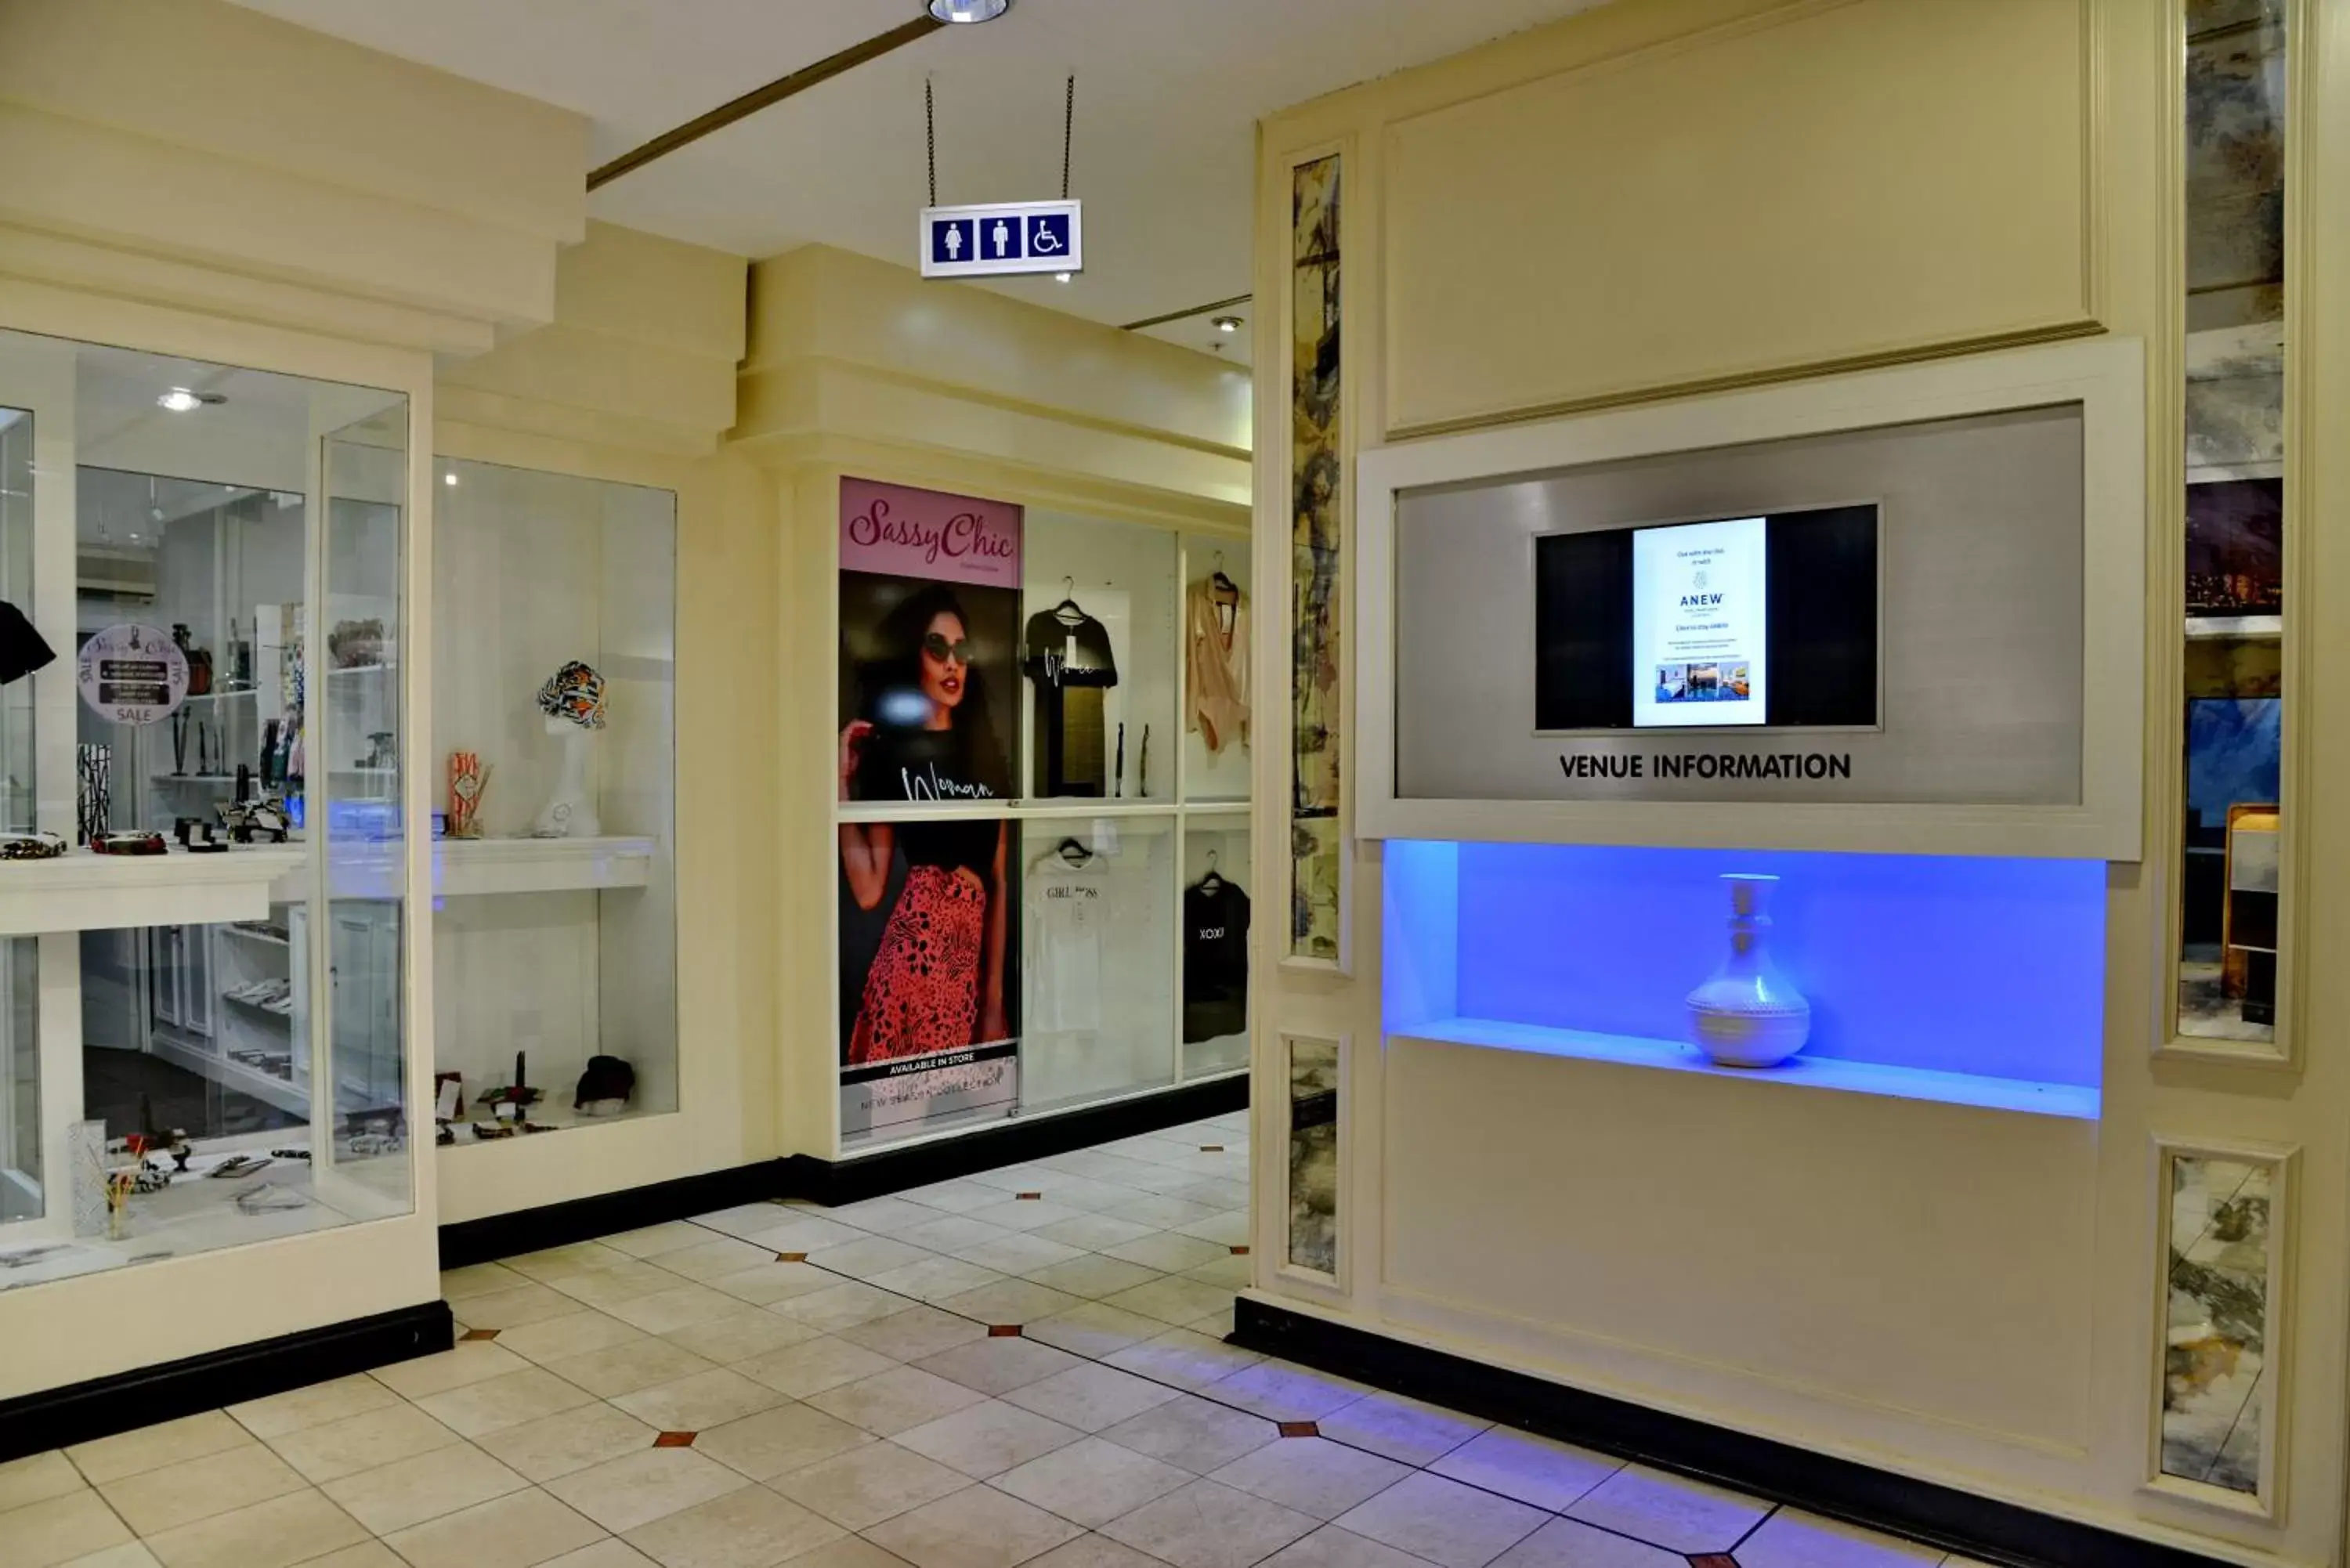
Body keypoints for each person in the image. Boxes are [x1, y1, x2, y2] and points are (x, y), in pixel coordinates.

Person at [840, 586, 1011, 1061]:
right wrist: (839, 786)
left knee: (981, 1106)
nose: (952, 663)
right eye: (938, 649)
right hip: (911, 966)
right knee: (904, 1114)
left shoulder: (985, 757)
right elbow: (870, 890)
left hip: (967, 967)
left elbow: (998, 883)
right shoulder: (894, 757)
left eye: (962, 650)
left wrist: (993, 1000)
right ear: (915, 657)